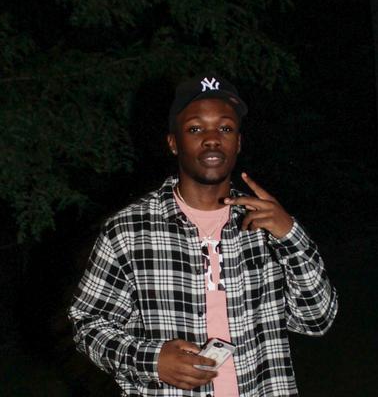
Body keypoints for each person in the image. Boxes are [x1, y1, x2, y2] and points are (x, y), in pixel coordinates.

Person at [68, 74, 338, 397]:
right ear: (173, 142)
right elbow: (88, 324)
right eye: (196, 129)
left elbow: (316, 319)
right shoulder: (128, 230)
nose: (212, 139)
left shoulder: (268, 227)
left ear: (238, 142)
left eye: (225, 128)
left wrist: (291, 234)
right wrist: (152, 360)